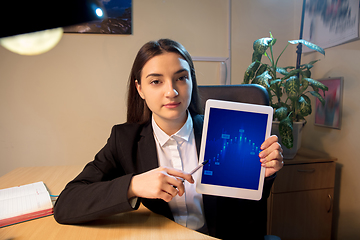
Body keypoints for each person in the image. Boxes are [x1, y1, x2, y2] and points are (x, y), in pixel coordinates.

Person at [53, 39, 284, 239]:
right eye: (156, 81)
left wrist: (264, 175)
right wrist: (133, 185)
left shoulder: (222, 133)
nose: (172, 91)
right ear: (140, 89)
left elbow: (245, 216)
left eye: (181, 78)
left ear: (191, 82)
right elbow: (66, 204)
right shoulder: (124, 140)